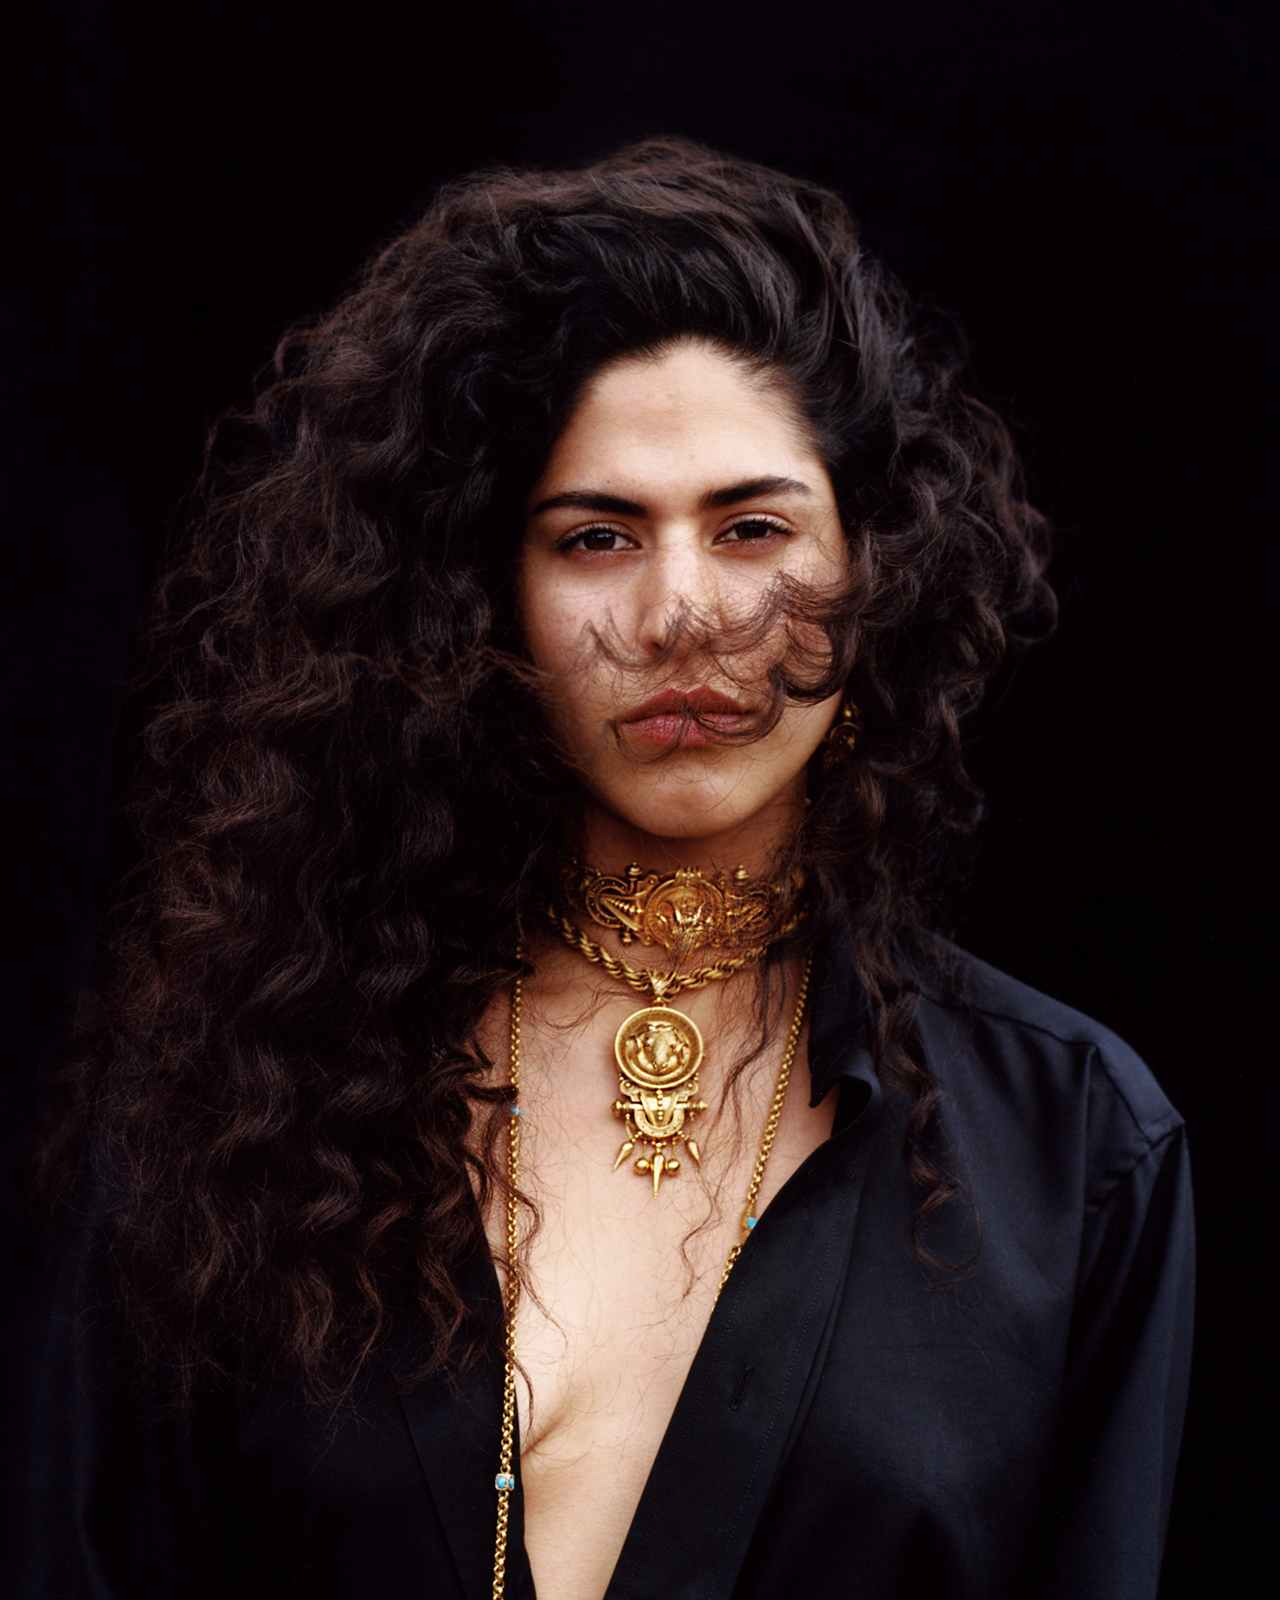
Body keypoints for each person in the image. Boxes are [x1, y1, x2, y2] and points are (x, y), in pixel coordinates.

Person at [25, 139, 1193, 1600]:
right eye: (596, 538)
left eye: (753, 528)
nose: (680, 614)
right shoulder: (237, 1100)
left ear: (874, 568)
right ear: (482, 598)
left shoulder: (1073, 1149)